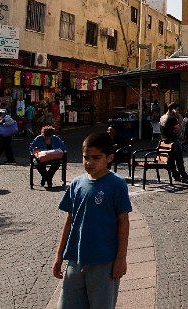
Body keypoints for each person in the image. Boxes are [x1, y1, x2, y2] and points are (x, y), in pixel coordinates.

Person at [53, 132, 132, 309]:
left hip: (104, 262)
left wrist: (121, 258)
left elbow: (123, 222)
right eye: (86, 157)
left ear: (109, 158)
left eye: (96, 157)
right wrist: (59, 255)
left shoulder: (116, 184)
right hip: (76, 258)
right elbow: (69, 221)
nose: (89, 162)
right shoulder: (76, 183)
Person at [159, 103, 188, 183]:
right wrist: (177, 117)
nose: (178, 111)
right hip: (173, 141)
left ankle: (175, 175)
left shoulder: (162, 117)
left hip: (164, 141)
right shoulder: (172, 119)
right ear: (173, 110)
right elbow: (179, 130)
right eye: (177, 110)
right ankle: (184, 176)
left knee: (171, 161)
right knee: (179, 161)